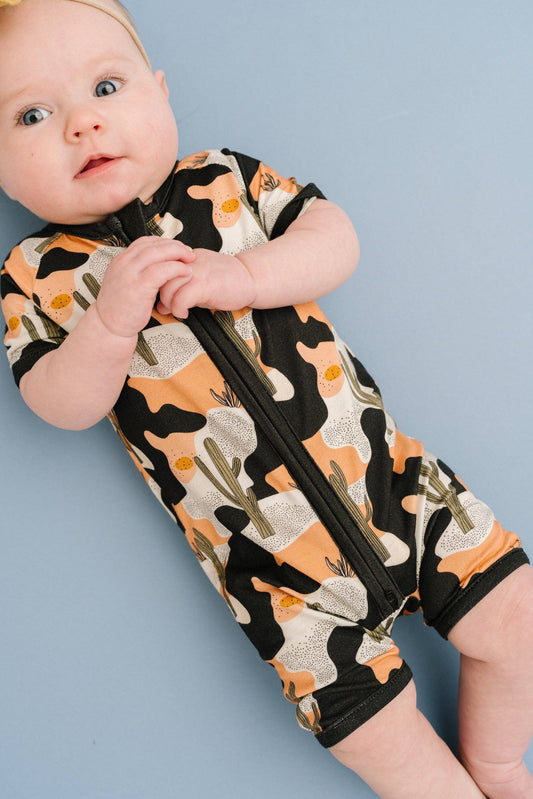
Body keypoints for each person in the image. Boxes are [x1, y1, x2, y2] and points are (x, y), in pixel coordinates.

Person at [1, 1, 532, 797]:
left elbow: (335, 237)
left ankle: (496, 761)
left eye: (106, 87)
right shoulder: (34, 276)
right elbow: (57, 402)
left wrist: (242, 275)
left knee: (518, 617)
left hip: (396, 489)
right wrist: (109, 320)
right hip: (276, 578)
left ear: (160, 90)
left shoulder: (224, 180)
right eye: (31, 115)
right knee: (374, 736)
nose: (83, 123)